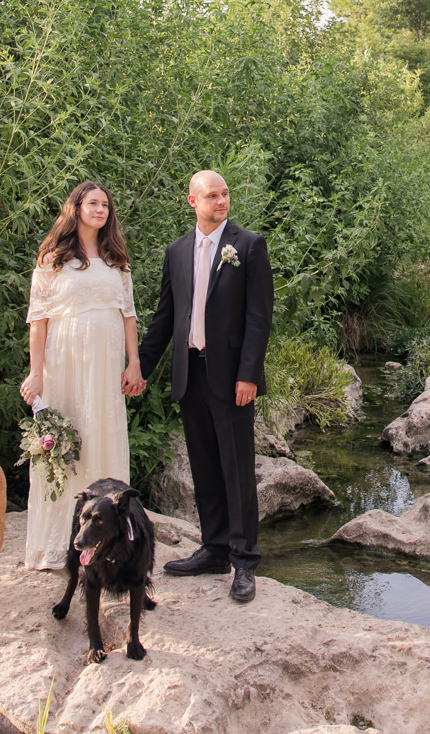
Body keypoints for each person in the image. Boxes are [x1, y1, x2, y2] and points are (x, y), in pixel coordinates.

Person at [137, 169, 273, 602]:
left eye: (225, 194)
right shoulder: (176, 252)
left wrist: (248, 374)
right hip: (189, 373)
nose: (221, 201)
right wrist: (139, 367)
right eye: (212, 195)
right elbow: (164, 319)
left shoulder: (248, 246)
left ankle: (244, 560)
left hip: (232, 376)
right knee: (204, 467)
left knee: (237, 470)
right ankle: (213, 549)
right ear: (193, 202)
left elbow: (258, 317)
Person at [19, 180, 146, 570]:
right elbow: (38, 321)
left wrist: (134, 363)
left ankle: (110, 546)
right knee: (68, 444)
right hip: (66, 360)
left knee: (102, 436)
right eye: (93, 203)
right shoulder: (52, 258)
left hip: (106, 362)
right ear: (75, 208)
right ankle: (58, 544)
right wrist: (36, 374)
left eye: (105, 205)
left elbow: (128, 315)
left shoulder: (115, 258)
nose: (100, 210)